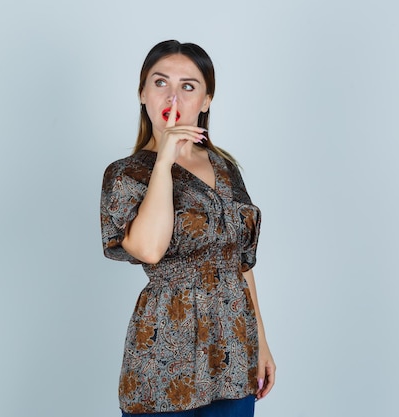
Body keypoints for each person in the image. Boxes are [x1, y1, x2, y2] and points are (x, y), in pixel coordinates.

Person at [100, 40, 276, 417]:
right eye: (160, 82)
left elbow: (241, 261)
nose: (173, 95)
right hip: (165, 352)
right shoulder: (126, 174)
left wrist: (261, 342)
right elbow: (149, 249)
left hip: (233, 346)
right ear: (143, 93)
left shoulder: (226, 169)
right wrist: (163, 161)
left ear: (207, 99)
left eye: (188, 85)